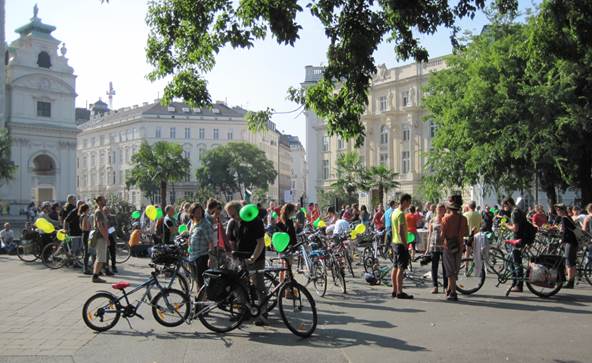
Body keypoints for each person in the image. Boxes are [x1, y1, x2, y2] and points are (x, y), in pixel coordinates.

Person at [234, 200, 266, 325]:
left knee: (259, 286)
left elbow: (260, 242)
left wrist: (253, 258)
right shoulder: (241, 221)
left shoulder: (257, 222)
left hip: (255, 259)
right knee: (242, 286)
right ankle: (245, 312)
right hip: (243, 259)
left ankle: (262, 314)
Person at [501, 197, 536, 292]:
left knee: (517, 263)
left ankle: (519, 285)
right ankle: (514, 282)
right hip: (522, 238)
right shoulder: (518, 210)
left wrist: (506, 225)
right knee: (511, 261)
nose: (504, 208)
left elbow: (515, 228)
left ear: (508, 203)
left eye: (504, 206)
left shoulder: (514, 212)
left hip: (518, 239)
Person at [440, 195, 468, 301]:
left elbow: (442, 236)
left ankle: (453, 292)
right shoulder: (463, 219)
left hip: (448, 246)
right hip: (459, 246)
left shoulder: (445, 219)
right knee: (455, 269)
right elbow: (466, 232)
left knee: (449, 270)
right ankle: (449, 288)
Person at [391, 194, 413, 299]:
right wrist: (405, 245)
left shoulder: (394, 212)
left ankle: (394, 290)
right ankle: (399, 291)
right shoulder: (400, 214)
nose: (409, 204)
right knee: (401, 268)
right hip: (400, 243)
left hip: (394, 242)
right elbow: (400, 231)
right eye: (409, 202)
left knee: (395, 267)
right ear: (404, 201)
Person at [188, 203, 214, 292]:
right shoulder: (193, 222)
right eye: (196, 212)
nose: (199, 213)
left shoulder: (205, 224)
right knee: (197, 280)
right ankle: (199, 299)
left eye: (200, 211)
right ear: (192, 213)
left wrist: (210, 258)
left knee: (201, 282)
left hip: (202, 256)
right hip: (193, 256)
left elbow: (211, 242)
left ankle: (202, 301)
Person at [555, 204, 579, 288]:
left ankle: (570, 282)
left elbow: (566, 233)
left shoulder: (564, 219)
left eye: (558, 210)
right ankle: (571, 281)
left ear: (562, 210)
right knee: (571, 262)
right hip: (573, 242)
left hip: (570, 242)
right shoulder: (568, 218)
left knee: (569, 262)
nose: (556, 211)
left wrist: (562, 240)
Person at [428, 203, 447, 294]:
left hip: (444, 246)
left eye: (442, 209)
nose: (440, 211)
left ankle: (446, 286)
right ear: (436, 210)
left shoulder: (446, 219)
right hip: (434, 246)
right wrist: (427, 248)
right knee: (434, 266)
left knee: (445, 266)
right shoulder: (432, 220)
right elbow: (429, 234)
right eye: (439, 209)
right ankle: (435, 286)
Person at [91, 196, 111, 283]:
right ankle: (95, 276)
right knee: (100, 258)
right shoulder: (99, 212)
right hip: (100, 237)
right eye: (103, 200)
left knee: (100, 258)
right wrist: (106, 238)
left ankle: (95, 275)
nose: (105, 200)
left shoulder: (101, 211)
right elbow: (100, 226)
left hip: (102, 237)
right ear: (99, 201)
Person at [276, 203, 297, 282]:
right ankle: (287, 290)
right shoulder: (289, 222)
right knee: (287, 269)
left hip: (281, 248)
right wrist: (295, 246)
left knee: (282, 268)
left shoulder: (279, 221)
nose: (294, 212)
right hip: (288, 248)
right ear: (290, 212)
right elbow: (292, 235)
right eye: (294, 211)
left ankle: (280, 286)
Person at [103, 206, 118, 274]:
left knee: (113, 252)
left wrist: (110, 230)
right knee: (105, 253)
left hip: (112, 236)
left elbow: (116, 225)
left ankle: (113, 266)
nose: (106, 212)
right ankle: (106, 267)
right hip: (104, 237)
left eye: (107, 210)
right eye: (105, 211)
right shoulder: (102, 217)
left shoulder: (113, 216)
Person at [79, 204, 92, 274]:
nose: (89, 209)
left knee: (87, 251)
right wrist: (89, 228)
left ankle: (86, 268)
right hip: (86, 234)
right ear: (86, 209)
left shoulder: (81, 216)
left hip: (84, 234)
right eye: (88, 208)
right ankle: (85, 269)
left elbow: (81, 227)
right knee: (86, 252)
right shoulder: (85, 216)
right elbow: (84, 227)